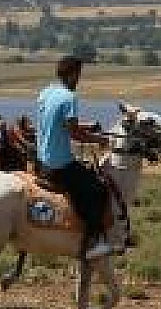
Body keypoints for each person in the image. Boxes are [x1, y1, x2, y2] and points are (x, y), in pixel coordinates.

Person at [35, 55, 115, 259]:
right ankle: (93, 243)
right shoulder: (69, 97)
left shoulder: (46, 92)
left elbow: (57, 123)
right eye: (78, 74)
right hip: (59, 164)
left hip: (42, 161)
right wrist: (99, 139)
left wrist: (87, 126)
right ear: (72, 74)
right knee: (98, 189)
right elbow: (74, 134)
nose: (79, 79)